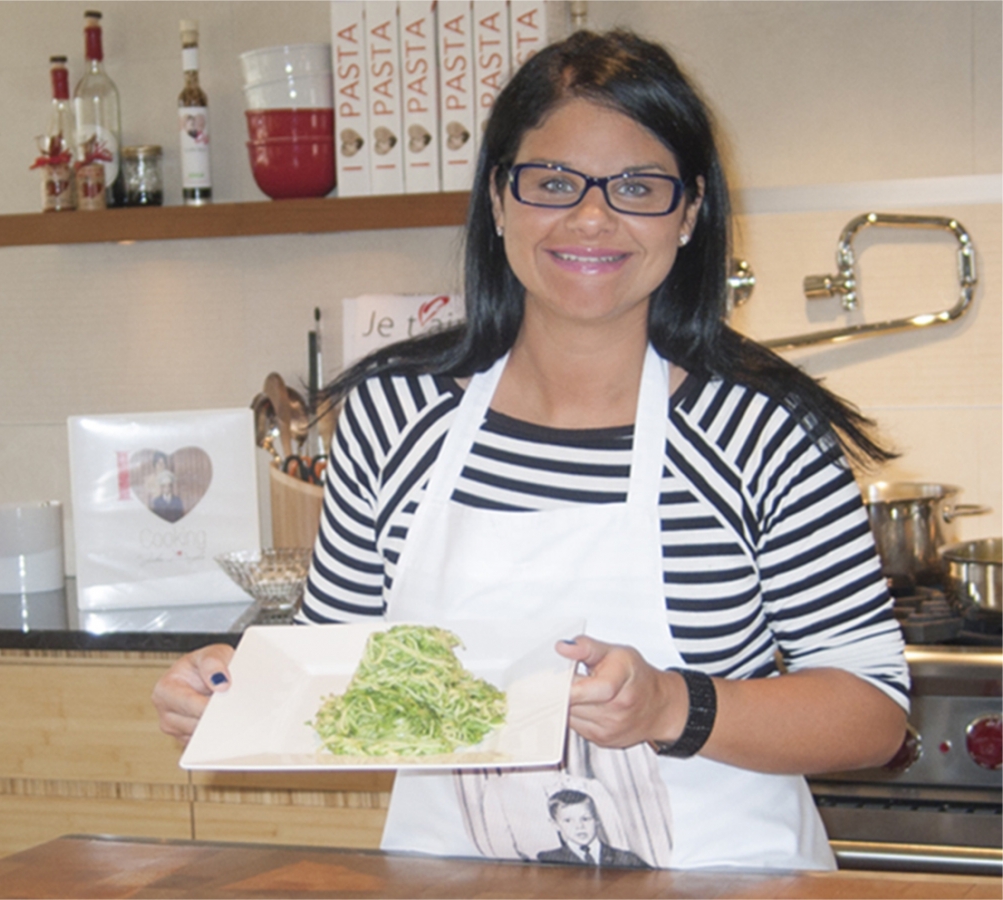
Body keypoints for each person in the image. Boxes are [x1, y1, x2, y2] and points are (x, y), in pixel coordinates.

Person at [153, 29, 909, 870]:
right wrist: (235, 692)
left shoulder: (759, 432)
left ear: (690, 211)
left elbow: (871, 713)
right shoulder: (393, 417)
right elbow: (342, 671)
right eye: (551, 182)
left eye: (637, 187)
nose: (591, 216)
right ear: (500, 200)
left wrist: (669, 708)